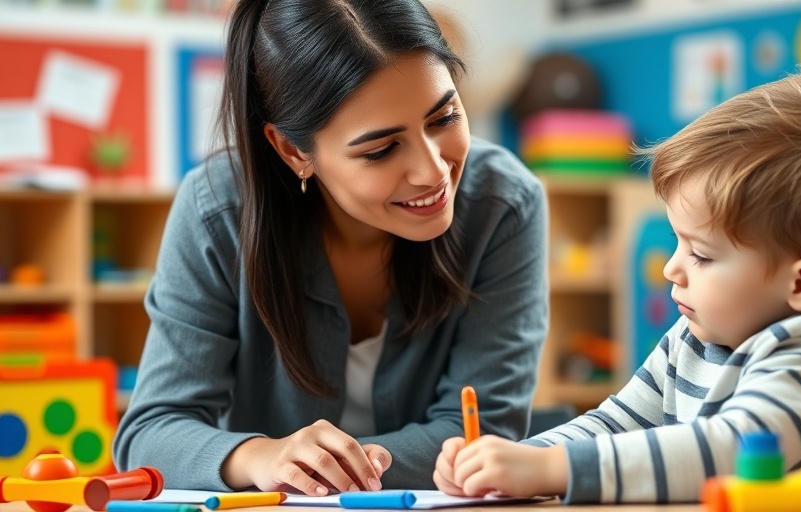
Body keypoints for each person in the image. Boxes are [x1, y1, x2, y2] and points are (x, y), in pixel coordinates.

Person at [112, 0, 548, 495]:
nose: (433, 170)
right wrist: (263, 458)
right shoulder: (218, 212)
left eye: (444, 116)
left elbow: (482, 432)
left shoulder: (504, 206)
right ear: (294, 151)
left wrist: (343, 469)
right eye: (381, 149)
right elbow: (150, 435)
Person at [433, 57, 801, 504]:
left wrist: (557, 470)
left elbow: (726, 450)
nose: (671, 269)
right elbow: (616, 423)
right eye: (678, 243)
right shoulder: (694, 339)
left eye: (701, 254)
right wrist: (517, 460)